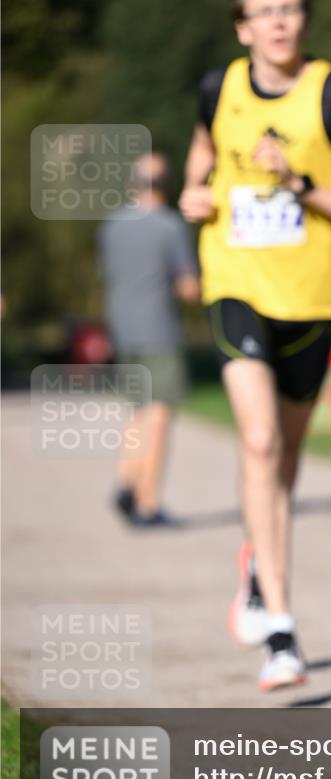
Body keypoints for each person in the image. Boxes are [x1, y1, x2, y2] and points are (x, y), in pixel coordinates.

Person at [179, 0, 331, 691]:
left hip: (310, 301)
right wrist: (193, 193)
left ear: (305, 19)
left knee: (284, 464)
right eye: (263, 10)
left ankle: (255, 562)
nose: (277, 21)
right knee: (259, 441)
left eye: (290, 8)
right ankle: (282, 631)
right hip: (233, 284)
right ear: (241, 26)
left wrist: (299, 183)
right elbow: (201, 158)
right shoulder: (218, 88)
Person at [99, 152, 200, 526]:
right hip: (159, 329)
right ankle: (148, 503)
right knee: (160, 415)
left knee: (137, 411)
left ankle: (126, 481)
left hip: (123, 329)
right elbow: (188, 286)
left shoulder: (111, 225)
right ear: (166, 185)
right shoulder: (169, 226)